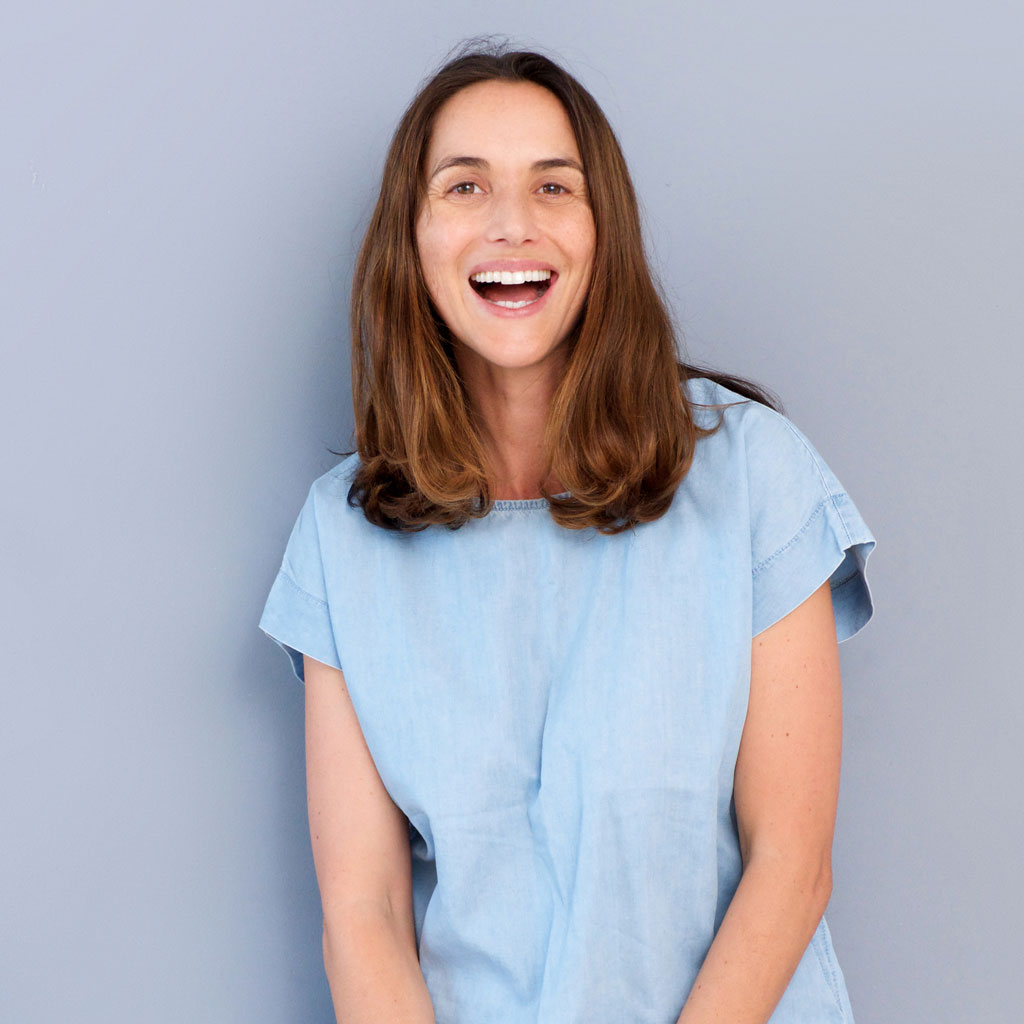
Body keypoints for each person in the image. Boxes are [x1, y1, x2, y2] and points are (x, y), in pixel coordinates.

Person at [259, 43, 875, 1024]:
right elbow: (362, 914)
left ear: (604, 231)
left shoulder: (755, 474)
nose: (513, 223)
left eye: (554, 185)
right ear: (411, 236)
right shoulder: (342, 537)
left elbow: (790, 867)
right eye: (465, 186)